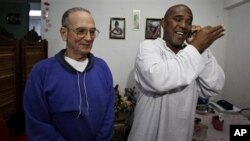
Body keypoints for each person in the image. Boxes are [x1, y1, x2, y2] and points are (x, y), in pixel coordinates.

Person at [128, 4, 225, 141]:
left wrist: (202, 50)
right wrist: (196, 46)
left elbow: (215, 86)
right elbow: (158, 79)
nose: (184, 25)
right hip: (147, 135)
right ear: (163, 23)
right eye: (178, 19)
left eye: (189, 22)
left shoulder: (193, 54)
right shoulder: (149, 47)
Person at [23, 7, 115, 141]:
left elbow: (108, 116)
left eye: (92, 31)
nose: (89, 38)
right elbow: (38, 125)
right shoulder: (42, 72)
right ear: (64, 33)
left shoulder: (102, 68)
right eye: (81, 31)